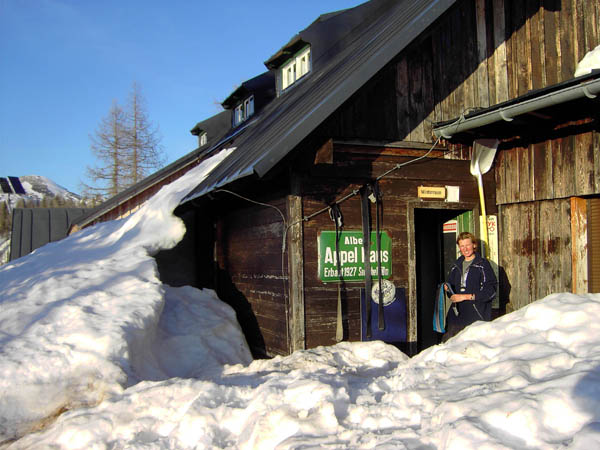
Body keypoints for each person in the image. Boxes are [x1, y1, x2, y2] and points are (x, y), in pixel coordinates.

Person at [442, 231, 497, 342]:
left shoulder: (482, 264)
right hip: (457, 316)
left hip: (476, 315)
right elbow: (451, 292)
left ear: (474, 245)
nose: (465, 249)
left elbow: (491, 291)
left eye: (467, 245)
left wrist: (467, 296)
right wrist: (448, 289)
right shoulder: (456, 265)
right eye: (462, 246)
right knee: (449, 347)